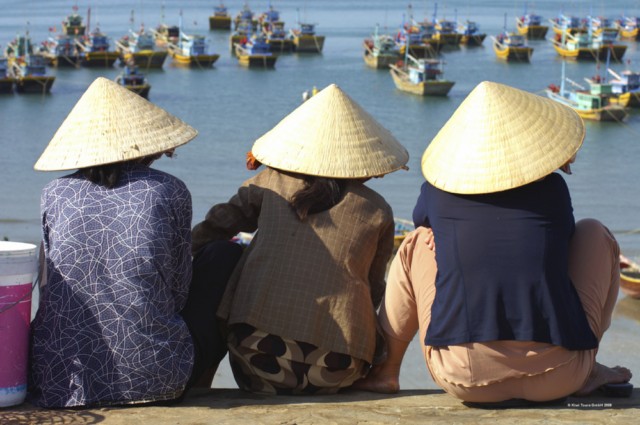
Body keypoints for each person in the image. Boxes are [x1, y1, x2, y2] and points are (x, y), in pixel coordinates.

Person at [354, 81, 632, 403]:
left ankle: (386, 372)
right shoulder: (553, 190)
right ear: (531, 144)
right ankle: (588, 362)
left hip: (464, 376)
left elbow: (424, 223)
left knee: (416, 242)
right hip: (562, 375)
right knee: (595, 233)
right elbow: (561, 245)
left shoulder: (438, 192)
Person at [29, 77, 241, 408]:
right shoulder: (167, 190)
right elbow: (177, 293)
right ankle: (199, 382)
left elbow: (49, 284)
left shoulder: (53, 193)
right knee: (223, 254)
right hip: (154, 379)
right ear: (148, 144)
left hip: (60, 379)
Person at [191, 83, 409, 395]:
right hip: (338, 371)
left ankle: (201, 378)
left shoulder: (271, 182)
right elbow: (374, 290)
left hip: (256, 362)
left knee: (222, 253)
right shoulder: (377, 209)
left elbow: (213, 227)